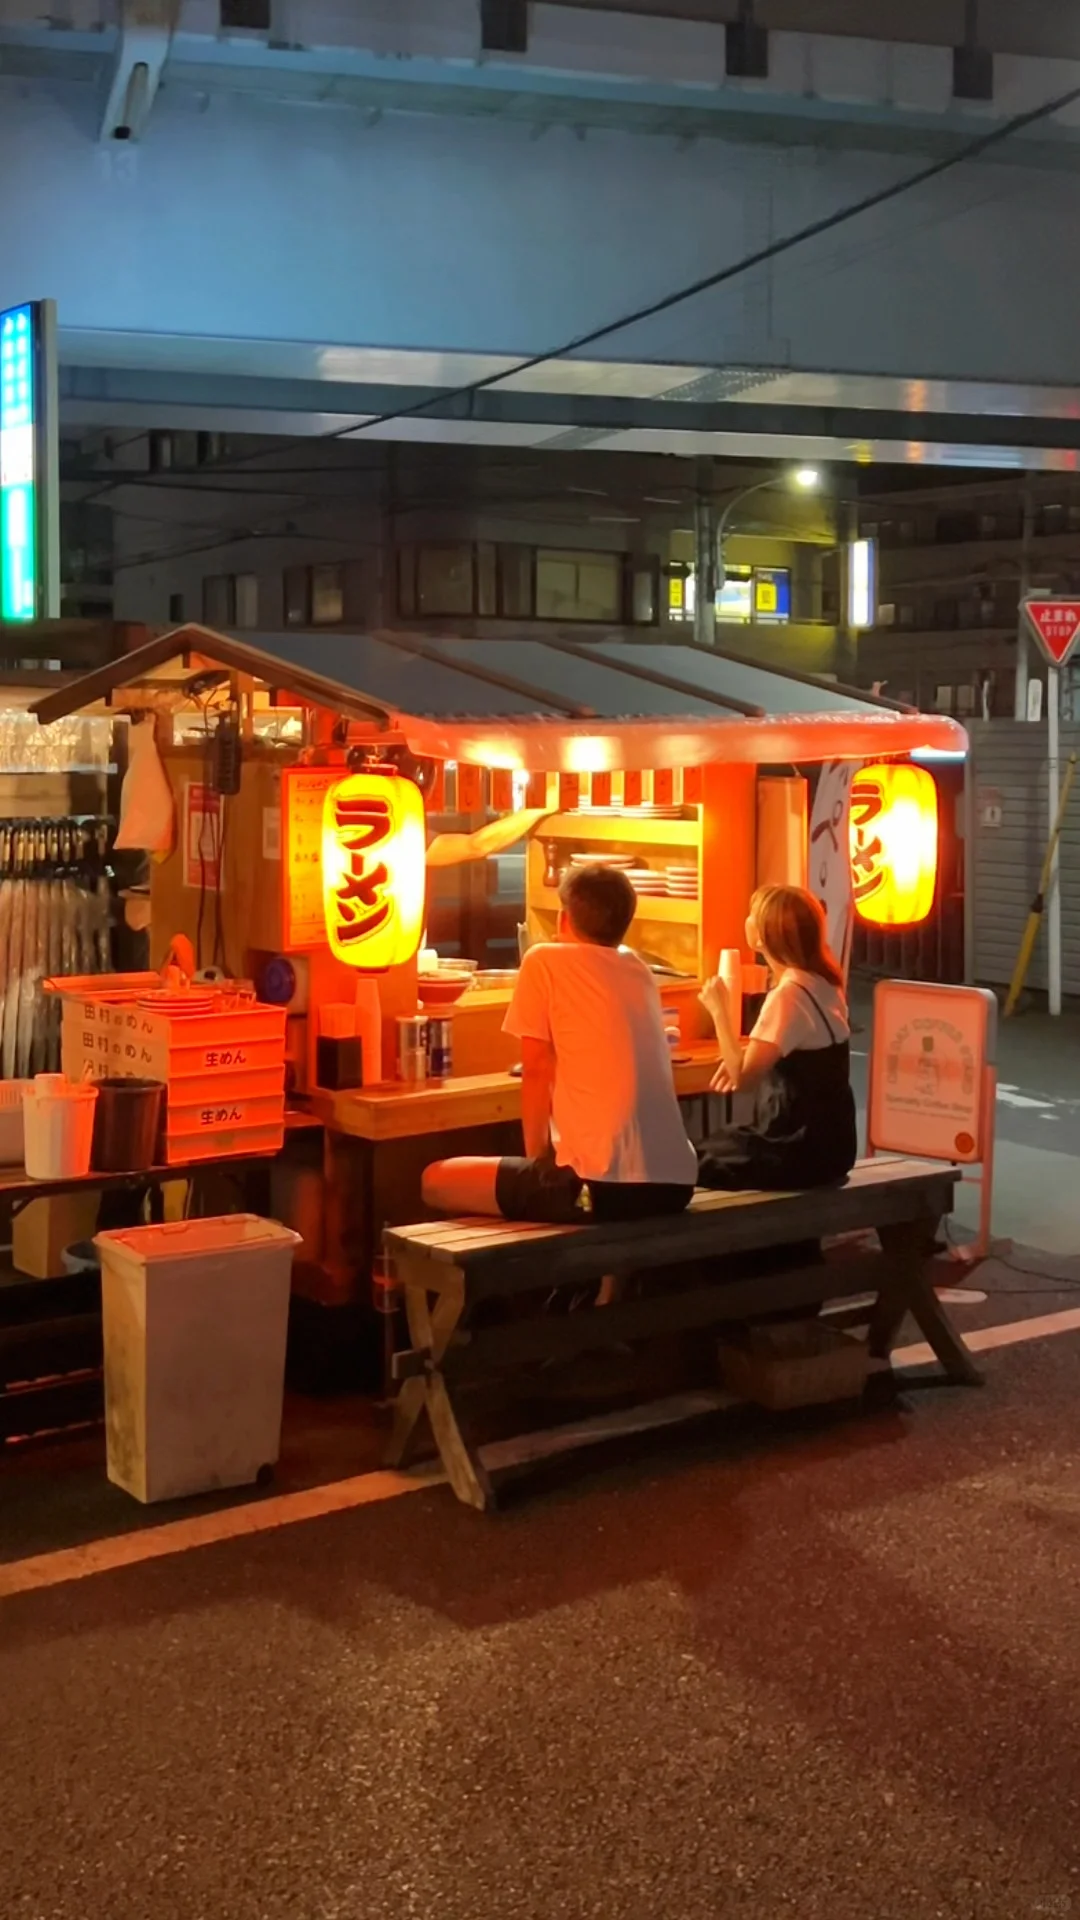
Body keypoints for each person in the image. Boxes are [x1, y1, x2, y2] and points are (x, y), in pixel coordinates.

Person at [422, 862, 698, 1226]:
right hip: (675, 1186)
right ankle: (608, 1285)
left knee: (436, 1179)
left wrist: (537, 1165)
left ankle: (546, 1281)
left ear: (563, 919)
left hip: (595, 1188)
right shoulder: (638, 970)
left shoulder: (543, 961)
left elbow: (536, 1069)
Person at [696, 884, 857, 1191]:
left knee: (694, 1160)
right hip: (835, 1147)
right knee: (719, 1144)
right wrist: (739, 1055)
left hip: (797, 1150)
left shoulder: (789, 995)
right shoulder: (824, 982)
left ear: (764, 935)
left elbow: (743, 1080)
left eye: (753, 915)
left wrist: (719, 1011)